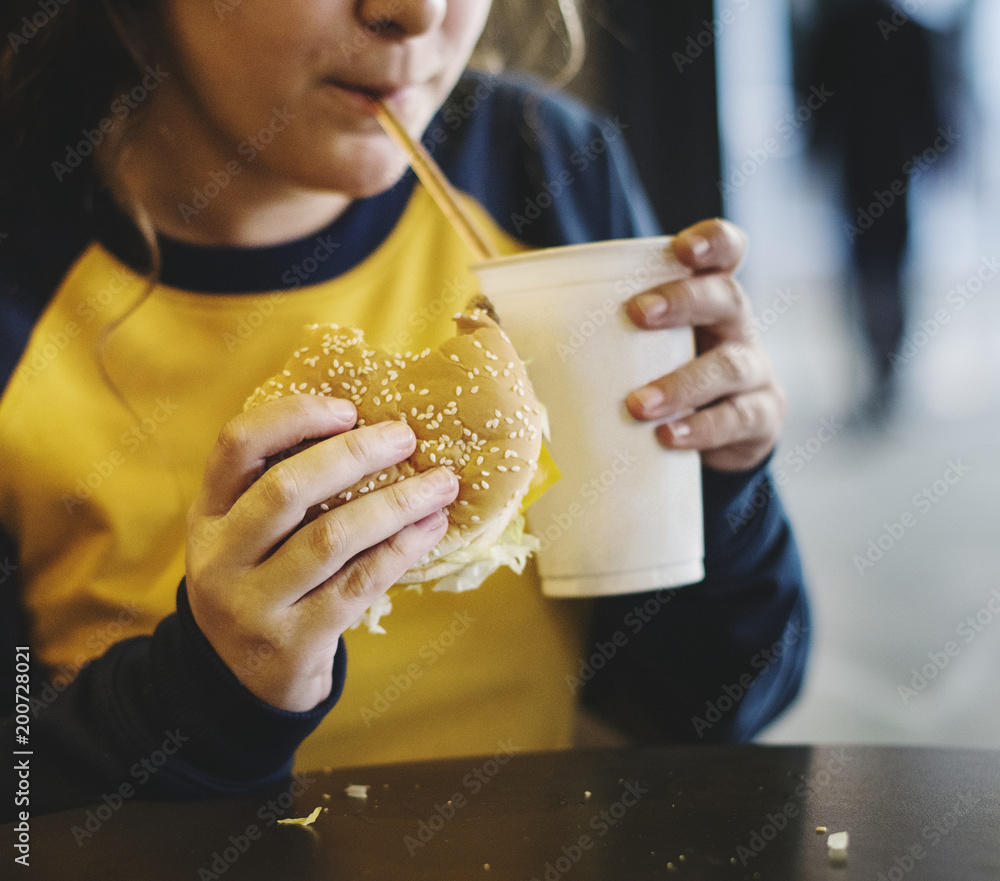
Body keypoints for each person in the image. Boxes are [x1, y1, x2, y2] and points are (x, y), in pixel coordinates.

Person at [0, 0, 809, 823]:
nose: (415, 13)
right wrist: (206, 693)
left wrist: (713, 489)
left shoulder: (542, 169)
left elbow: (711, 711)